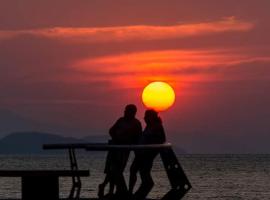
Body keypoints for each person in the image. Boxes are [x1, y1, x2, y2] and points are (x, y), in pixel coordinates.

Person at [98, 104, 142, 199]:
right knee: (112, 170)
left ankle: (110, 189)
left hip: (124, 150)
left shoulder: (136, 123)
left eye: (127, 110)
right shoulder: (121, 120)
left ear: (133, 112)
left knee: (117, 171)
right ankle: (109, 190)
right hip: (115, 148)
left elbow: (138, 138)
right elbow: (111, 130)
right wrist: (116, 137)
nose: (125, 112)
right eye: (125, 110)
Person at [129, 109, 166, 200]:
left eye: (146, 116)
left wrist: (150, 148)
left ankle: (136, 194)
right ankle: (132, 193)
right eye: (145, 116)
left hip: (147, 154)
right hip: (141, 153)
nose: (144, 118)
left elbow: (161, 139)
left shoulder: (157, 126)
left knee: (143, 172)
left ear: (152, 117)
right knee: (134, 170)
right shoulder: (149, 126)